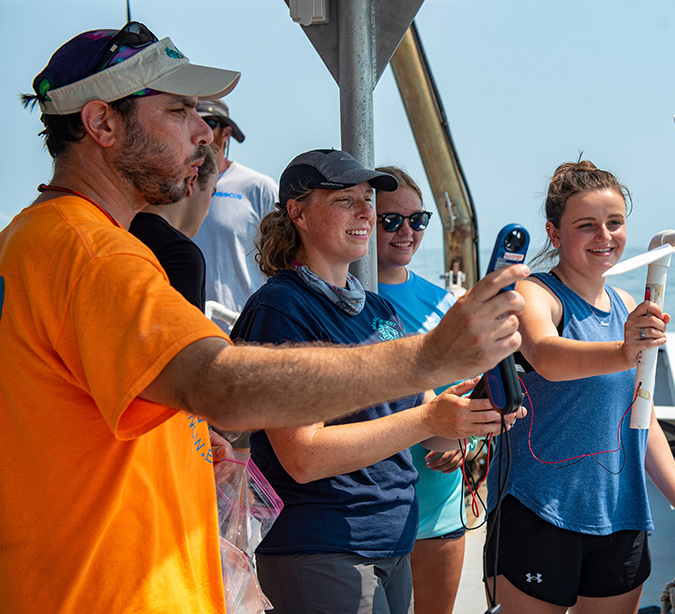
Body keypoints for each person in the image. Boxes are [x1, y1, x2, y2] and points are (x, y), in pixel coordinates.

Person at [1, 23, 526, 614]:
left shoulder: (39, 241)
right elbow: (219, 385)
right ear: (101, 123)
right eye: (178, 111)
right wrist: (428, 358)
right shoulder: (94, 255)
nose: (205, 132)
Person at [231, 150, 523, 614]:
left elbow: (424, 426)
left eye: (367, 199)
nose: (365, 212)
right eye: (345, 201)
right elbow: (303, 456)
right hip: (322, 546)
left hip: (392, 542)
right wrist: (428, 418)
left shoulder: (377, 309)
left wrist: (467, 417)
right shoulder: (281, 308)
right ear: (298, 213)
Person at [484, 161, 675, 613]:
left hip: (621, 515)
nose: (604, 236)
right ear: (554, 233)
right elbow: (546, 354)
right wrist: (624, 352)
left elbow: (641, 418)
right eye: (586, 225)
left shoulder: (625, 303)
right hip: (538, 510)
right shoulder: (535, 294)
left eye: (615, 223)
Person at [375, 166, 468, 614]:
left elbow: (466, 391)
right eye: (391, 220)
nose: (407, 231)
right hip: (372, 502)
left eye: (418, 219)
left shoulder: (446, 302)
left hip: (440, 498)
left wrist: (464, 442)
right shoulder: (342, 299)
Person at [193, 98, 278, 325]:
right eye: (192, 121)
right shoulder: (174, 187)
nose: (201, 131)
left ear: (226, 133)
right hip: (188, 327)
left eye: (209, 123)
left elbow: (283, 260)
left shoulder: (259, 187)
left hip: (244, 327)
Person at [130, 146, 219, 310]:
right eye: (211, 193)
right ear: (191, 181)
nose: (207, 212)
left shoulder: (115, 226)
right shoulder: (179, 253)